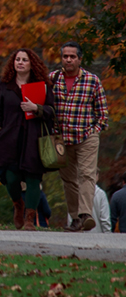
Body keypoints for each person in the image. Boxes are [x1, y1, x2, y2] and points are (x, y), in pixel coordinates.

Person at [0, 49, 55, 231]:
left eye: (24, 60)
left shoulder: (43, 85)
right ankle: (18, 205)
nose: (20, 63)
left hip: (33, 138)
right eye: (17, 59)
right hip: (9, 138)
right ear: (13, 63)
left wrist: (36, 108)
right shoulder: (4, 84)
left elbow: (52, 112)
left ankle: (30, 218)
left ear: (32, 63)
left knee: (33, 178)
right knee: (10, 177)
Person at [49, 41, 109, 232]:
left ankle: (86, 214)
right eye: (65, 56)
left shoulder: (92, 80)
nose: (68, 59)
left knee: (86, 174)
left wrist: (96, 129)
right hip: (60, 138)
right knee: (68, 180)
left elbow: (103, 111)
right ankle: (76, 219)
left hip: (86, 136)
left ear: (79, 59)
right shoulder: (52, 79)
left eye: (72, 56)